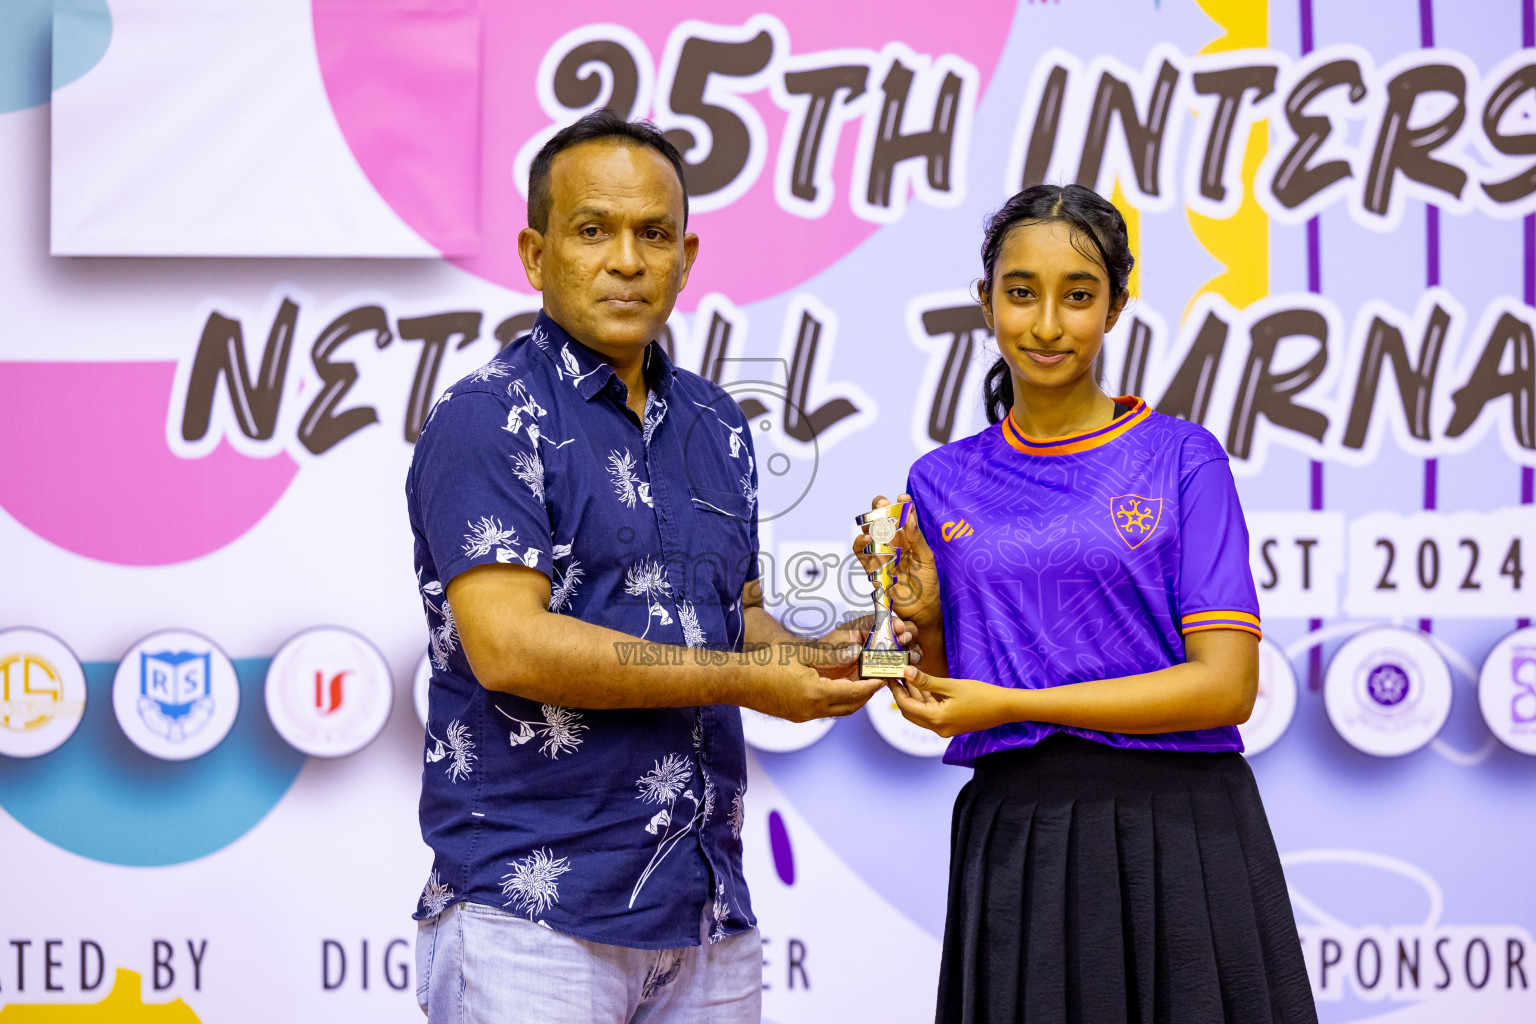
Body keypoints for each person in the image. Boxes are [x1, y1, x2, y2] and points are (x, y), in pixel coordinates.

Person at [406, 109, 884, 1024]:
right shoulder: (488, 417)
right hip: (531, 913)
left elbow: (733, 615)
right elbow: (510, 646)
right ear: (536, 254)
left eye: (653, 234)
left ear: (687, 257)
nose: (627, 259)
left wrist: (840, 653)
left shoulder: (717, 425)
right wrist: (748, 677)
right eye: (593, 231)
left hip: (702, 911)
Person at [859, 183, 1317, 1024]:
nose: (1045, 324)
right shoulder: (941, 480)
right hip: (1019, 837)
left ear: (1115, 307)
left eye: (1078, 296)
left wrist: (1016, 702)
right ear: (987, 301)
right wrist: (921, 628)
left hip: (1180, 831)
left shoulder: (1184, 458)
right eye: (1021, 292)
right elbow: (950, 699)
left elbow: (1226, 687)